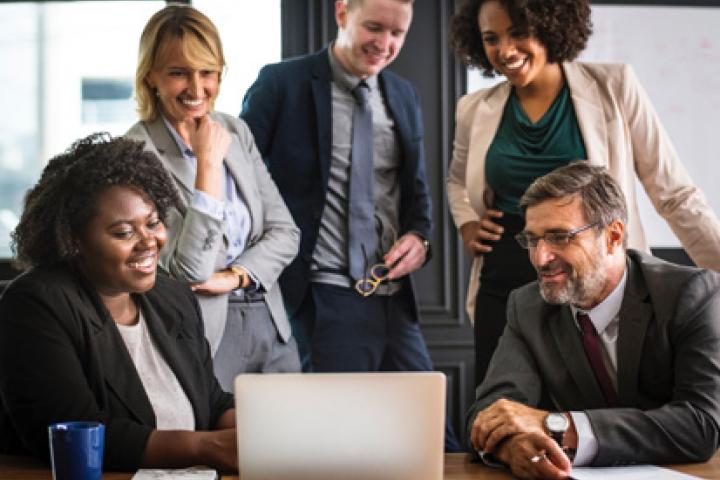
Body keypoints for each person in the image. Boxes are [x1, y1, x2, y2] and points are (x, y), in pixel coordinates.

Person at [447, 0, 720, 387]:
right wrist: (467, 223)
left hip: (591, 273)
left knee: (595, 406)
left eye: (519, 33)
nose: (505, 51)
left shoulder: (614, 86)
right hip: (505, 272)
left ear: (551, 26)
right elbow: (457, 181)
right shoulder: (474, 109)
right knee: (502, 404)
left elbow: (674, 192)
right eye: (491, 39)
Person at [466, 162, 720, 479]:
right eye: (532, 240)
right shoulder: (528, 305)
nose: (540, 258)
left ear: (613, 236)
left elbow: (701, 424)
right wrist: (513, 446)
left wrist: (555, 425)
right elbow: (490, 411)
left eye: (559, 237)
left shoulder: (689, 294)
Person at [0, 134, 238, 472]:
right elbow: (76, 429)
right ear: (75, 240)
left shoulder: (173, 297)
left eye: (153, 223)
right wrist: (207, 447)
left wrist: (261, 428)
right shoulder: (37, 304)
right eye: (125, 233)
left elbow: (210, 403)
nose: (149, 242)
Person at [241, 0, 434, 376]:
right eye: (374, 27)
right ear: (342, 13)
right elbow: (238, 177)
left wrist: (420, 239)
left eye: (397, 33)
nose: (385, 43)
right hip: (321, 295)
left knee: (431, 431)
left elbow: (417, 193)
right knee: (340, 430)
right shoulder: (281, 84)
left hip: (395, 299)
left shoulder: (403, 94)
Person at [126, 5, 301, 391]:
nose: (196, 87)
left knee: (292, 446)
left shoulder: (234, 130)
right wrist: (207, 165)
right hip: (203, 332)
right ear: (151, 76)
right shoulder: (136, 152)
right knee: (219, 448)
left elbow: (285, 232)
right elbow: (189, 270)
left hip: (269, 322)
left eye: (207, 72)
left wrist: (236, 276)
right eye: (178, 73)